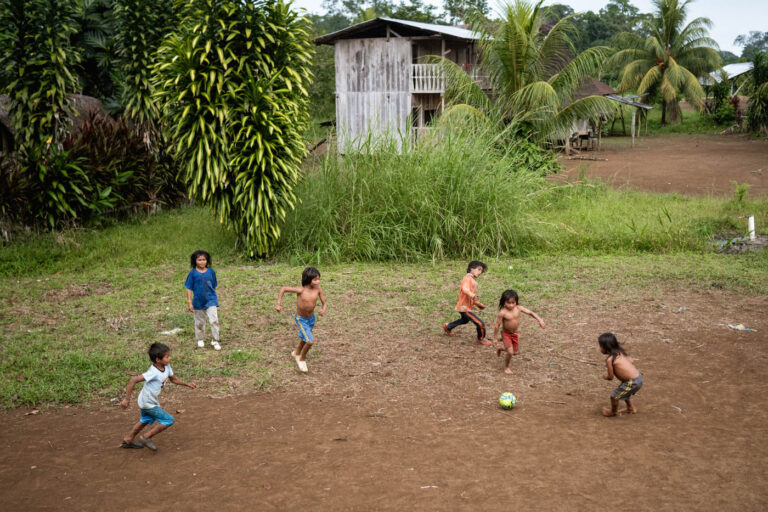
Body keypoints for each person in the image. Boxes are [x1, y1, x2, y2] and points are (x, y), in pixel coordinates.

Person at [120, 343, 196, 451]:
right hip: (148, 402)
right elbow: (133, 380)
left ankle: (128, 440)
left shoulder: (166, 367)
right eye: (167, 357)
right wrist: (126, 399)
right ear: (158, 360)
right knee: (168, 420)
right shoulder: (153, 372)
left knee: (145, 420)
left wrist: (187, 384)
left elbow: (173, 379)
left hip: (147, 400)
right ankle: (146, 437)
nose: (170, 358)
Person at [275, 266, 327, 373]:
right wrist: (278, 304)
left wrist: (323, 309)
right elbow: (283, 289)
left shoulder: (318, 289)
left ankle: (296, 352)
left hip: (311, 319)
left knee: (304, 337)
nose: (318, 281)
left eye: (319, 279)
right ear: (308, 279)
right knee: (310, 341)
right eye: (315, 279)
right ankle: (302, 359)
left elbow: (324, 302)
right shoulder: (301, 290)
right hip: (301, 319)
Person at [493, 289, 546, 374]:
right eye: (508, 303)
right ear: (503, 302)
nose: (511, 305)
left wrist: (540, 320)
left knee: (515, 352)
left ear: (516, 302)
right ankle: (506, 367)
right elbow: (497, 325)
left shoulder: (518, 308)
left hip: (514, 333)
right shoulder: (502, 313)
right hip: (506, 333)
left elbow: (530, 313)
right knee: (510, 352)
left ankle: (500, 348)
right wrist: (495, 338)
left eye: (513, 303)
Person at [442, 261, 490, 345]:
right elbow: (465, 289)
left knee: (464, 320)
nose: (480, 272)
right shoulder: (467, 278)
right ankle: (481, 338)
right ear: (471, 269)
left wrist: (477, 304)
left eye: (481, 271)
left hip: (464, 307)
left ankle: (448, 326)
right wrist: (472, 295)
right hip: (465, 308)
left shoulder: (472, 280)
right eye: (479, 269)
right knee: (480, 323)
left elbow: (468, 297)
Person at [598, 332, 643, 417]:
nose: (599, 348)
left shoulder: (610, 360)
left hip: (632, 382)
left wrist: (605, 377)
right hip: (638, 377)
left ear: (605, 347)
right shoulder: (621, 353)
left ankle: (613, 412)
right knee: (624, 391)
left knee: (614, 396)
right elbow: (631, 361)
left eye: (600, 346)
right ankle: (631, 408)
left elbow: (610, 377)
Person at [184, 250, 221, 350]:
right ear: (195, 261)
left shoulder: (211, 272)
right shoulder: (192, 274)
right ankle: (200, 338)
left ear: (207, 260)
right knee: (199, 322)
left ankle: (215, 340)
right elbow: (189, 288)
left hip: (211, 300)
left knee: (214, 320)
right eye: (199, 260)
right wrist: (189, 302)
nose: (202, 262)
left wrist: (212, 296)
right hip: (198, 301)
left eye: (204, 259)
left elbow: (214, 286)